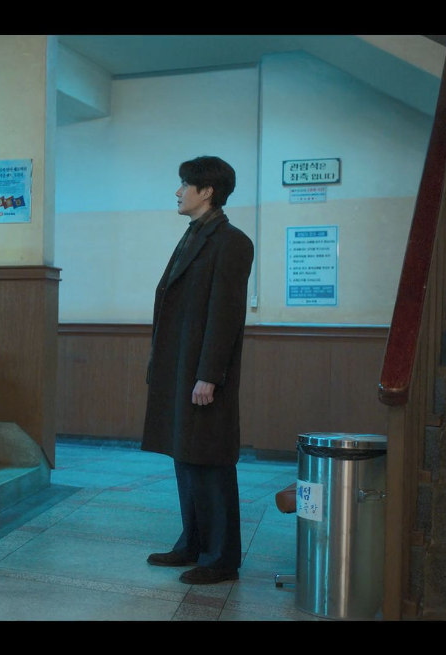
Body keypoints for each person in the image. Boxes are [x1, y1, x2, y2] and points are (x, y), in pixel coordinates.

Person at [141, 156, 255, 585]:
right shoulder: (195, 234)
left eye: (184, 184)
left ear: (206, 191)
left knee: (210, 462)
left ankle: (221, 558)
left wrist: (208, 374)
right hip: (180, 367)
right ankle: (192, 543)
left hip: (203, 373)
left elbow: (225, 315)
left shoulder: (232, 242)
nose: (178, 192)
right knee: (186, 457)